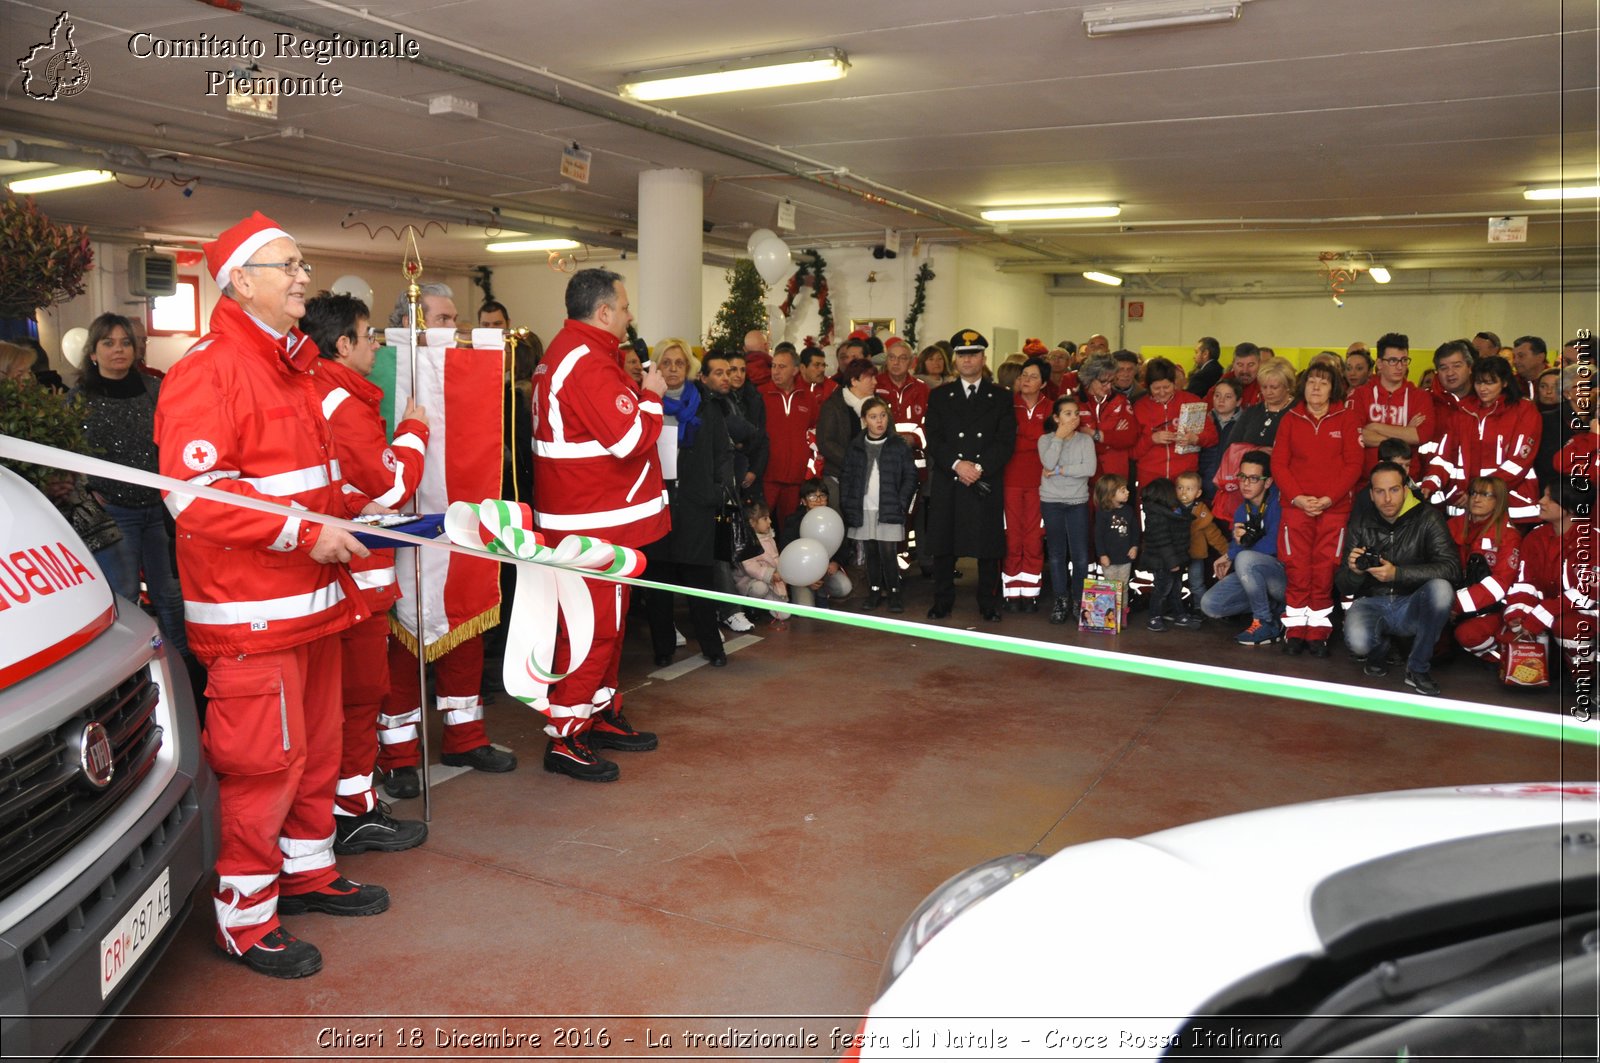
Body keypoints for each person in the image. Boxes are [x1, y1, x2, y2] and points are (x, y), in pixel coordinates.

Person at [155, 211, 390, 978]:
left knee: (315, 752)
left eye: (300, 264)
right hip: (254, 615)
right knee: (264, 766)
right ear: (241, 282)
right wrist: (304, 535)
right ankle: (245, 919)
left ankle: (308, 872)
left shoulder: (290, 363)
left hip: (313, 606)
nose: (303, 278)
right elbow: (195, 496)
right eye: (287, 266)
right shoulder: (210, 367)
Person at [375, 277, 517, 796]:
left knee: (466, 613)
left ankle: (465, 734)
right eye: (442, 320)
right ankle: (398, 753)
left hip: (458, 519)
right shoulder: (381, 377)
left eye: (456, 320)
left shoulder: (469, 379)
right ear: (410, 325)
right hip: (399, 529)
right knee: (399, 639)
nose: (454, 330)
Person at [300, 290, 429, 855]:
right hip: (354, 577)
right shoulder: (342, 402)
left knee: (349, 698)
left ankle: (350, 801)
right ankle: (353, 811)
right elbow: (393, 485)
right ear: (343, 343)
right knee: (358, 697)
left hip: (343, 574)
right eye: (369, 335)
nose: (377, 345)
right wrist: (414, 433)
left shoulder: (323, 390)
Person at [529, 268, 669, 782]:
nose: (631, 315)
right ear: (604, 312)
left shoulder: (578, 355)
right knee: (593, 634)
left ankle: (600, 714)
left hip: (599, 519)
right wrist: (651, 394)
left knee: (606, 629)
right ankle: (566, 738)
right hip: (594, 524)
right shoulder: (585, 361)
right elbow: (630, 437)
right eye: (625, 306)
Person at [71, 312, 188, 657]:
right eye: (108, 343)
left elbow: (174, 440)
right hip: (114, 512)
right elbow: (67, 455)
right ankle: (130, 666)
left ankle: (182, 665)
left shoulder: (155, 389)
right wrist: (88, 492)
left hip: (158, 508)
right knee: (122, 593)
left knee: (168, 593)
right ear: (93, 352)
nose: (118, 350)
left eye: (125, 342)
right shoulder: (80, 399)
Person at [1336, 462, 1462, 696]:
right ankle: (1380, 648)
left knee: (1442, 589)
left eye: (1394, 490)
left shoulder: (1428, 518)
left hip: (1412, 602)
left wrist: (1399, 573)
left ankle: (1418, 668)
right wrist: (1354, 572)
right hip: (1372, 602)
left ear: (1405, 489)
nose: (1387, 499)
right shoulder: (1360, 522)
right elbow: (1342, 584)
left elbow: (1452, 569)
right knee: (1358, 643)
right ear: (1371, 495)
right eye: (1380, 492)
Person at [644, 339, 733, 669]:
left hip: (697, 504)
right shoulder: (646, 404)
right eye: (665, 363)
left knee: (700, 582)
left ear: (689, 368)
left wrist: (716, 489)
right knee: (658, 583)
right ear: (657, 367)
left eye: (678, 363)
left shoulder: (706, 406)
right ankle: (663, 647)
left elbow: (723, 453)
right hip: (657, 504)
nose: (672, 369)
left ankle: (712, 647)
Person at [1271, 360, 1363, 655]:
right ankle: (1295, 628)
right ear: (1303, 386)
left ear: (1333, 388)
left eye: (1323, 382)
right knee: (1297, 567)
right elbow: (1279, 464)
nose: (1316, 387)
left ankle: (1318, 632)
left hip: (1333, 510)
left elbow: (1353, 465)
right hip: (1295, 508)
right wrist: (1298, 497)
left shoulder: (1346, 419)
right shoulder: (1290, 419)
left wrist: (1329, 499)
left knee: (1324, 569)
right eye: (1312, 381)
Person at [924, 329, 1016, 621]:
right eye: (962, 355)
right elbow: (934, 437)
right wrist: (956, 464)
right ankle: (942, 600)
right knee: (944, 544)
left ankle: (988, 602)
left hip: (983, 480)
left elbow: (1005, 440)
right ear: (955, 359)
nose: (968, 360)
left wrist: (978, 468)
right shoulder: (939, 396)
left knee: (987, 546)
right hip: (950, 478)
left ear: (983, 358)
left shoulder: (1000, 396)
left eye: (973, 354)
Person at [1419, 355, 1542, 522]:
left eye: (1490, 382)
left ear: (1505, 382)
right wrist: (1430, 484)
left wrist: (1478, 493)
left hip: (1511, 507)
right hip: (1464, 508)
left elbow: (1519, 462)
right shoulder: (1463, 412)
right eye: (1478, 382)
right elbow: (1444, 457)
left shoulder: (1524, 410)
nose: (1483, 388)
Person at [1501, 474, 1598, 684]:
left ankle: (1586, 679)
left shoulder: (1593, 541)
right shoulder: (1535, 537)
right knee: (1512, 635)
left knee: (1569, 628)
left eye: (1550, 498)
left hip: (1585, 616)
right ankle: (1549, 670)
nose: (1541, 502)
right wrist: (1519, 614)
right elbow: (1524, 583)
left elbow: (1585, 594)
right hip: (1551, 612)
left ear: (1571, 507)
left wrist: (1539, 616)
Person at [840, 396, 918, 612]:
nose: (879, 421)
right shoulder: (856, 446)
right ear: (865, 420)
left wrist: (901, 501)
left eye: (883, 416)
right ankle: (874, 591)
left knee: (888, 551)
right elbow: (847, 477)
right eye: (873, 417)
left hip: (889, 507)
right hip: (864, 507)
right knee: (871, 549)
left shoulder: (897, 445)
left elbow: (910, 476)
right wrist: (848, 503)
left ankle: (894, 592)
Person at [1201, 450, 1286, 645]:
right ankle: (1273, 608)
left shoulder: (1279, 503)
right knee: (1210, 604)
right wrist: (1232, 551)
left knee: (1245, 559)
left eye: (1254, 478)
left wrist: (1232, 554)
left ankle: (1265, 622)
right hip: (1254, 572)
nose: (1246, 483)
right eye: (1242, 477)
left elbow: (1275, 545)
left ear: (1268, 482)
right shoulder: (1242, 509)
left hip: (1282, 577)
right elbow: (1239, 543)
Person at [1447, 476, 1522, 664]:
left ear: (1499, 501)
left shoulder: (1508, 535)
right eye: (1473, 493)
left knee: (1468, 635)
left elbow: (1500, 584)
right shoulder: (1452, 525)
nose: (1477, 499)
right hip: (1452, 601)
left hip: (1492, 607)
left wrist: (1454, 605)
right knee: (1435, 651)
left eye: (1485, 495)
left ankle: (1504, 657)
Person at [1037, 394, 1096, 624]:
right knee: (1056, 554)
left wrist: (1061, 471)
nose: (1074, 418)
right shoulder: (1045, 440)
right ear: (1056, 417)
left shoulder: (1085, 440)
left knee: (1080, 555)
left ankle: (1078, 599)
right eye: (1068, 413)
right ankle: (1060, 599)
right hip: (1051, 501)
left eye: (1076, 413)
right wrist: (1059, 438)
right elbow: (1048, 463)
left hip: (1077, 501)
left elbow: (1089, 468)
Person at [1002, 357, 1051, 611]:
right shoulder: (1007, 406)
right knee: (1012, 537)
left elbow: (1055, 444)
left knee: (1033, 538)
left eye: (1032, 376)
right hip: (1009, 480)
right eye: (1023, 375)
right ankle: (1011, 592)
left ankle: (1030, 592)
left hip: (1040, 484)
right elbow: (1007, 442)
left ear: (1043, 383)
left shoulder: (1053, 408)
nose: (1026, 380)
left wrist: (1025, 438)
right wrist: (1037, 440)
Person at [1352, 331, 1434, 481]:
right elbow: (1358, 435)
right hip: (1368, 481)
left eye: (1404, 360)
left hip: (1408, 481)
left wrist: (1375, 426)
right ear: (1379, 363)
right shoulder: (1361, 395)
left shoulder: (1420, 396)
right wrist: (1403, 437)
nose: (1399, 366)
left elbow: (1420, 435)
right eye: (1393, 361)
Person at [760, 345, 821, 531]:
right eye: (773, 366)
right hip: (767, 476)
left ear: (795, 370)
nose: (776, 371)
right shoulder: (761, 395)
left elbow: (813, 432)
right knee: (760, 526)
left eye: (782, 367)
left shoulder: (808, 398)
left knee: (791, 528)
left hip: (796, 478)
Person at [1132, 357, 1217, 487]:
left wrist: (1195, 438)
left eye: (1166, 387)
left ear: (1174, 383)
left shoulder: (1192, 402)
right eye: (1156, 388)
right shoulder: (1139, 407)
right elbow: (1133, 452)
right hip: (1151, 479)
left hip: (1185, 478)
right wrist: (1152, 439)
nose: (1162, 392)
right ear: (1147, 386)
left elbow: (1213, 438)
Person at [780, 478, 854, 606]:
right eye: (812, 496)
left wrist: (837, 562)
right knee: (806, 609)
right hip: (801, 574)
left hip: (826, 570)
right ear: (803, 501)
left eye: (822, 496)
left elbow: (844, 547)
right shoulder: (793, 522)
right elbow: (786, 553)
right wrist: (807, 578)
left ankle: (822, 593)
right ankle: (803, 593)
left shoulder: (833, 519)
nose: (818, 500)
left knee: (844, 587)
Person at [816, 359, 878, 510]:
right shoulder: (834, 405)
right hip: (839, 475)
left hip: (873, 476)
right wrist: (853, 460)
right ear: (854, 381)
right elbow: (826, 442)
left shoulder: (878, 406)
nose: (875, 382)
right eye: (870, 378)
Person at [1139, 478, 1193, 632]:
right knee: (1162, 590)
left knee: (1176, 588)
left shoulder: (1169, 511)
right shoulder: (1157, 516)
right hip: (1163, 562)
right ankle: (1154, 617)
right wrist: (1172, 563)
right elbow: (1163, 542)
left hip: (1173, 559)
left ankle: (1179, 614)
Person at [1078, 355, 1138, 489]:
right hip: (1083, 476)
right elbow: (1072, 439)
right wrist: (1111, 437)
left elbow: (1129, 437)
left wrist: (1095, 435)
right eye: (1103, 381)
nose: (1108, 386)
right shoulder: (1075, 402)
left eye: (1112, 381)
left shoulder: (1121, 401)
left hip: (1115, 475)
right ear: (1090, 379)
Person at [1176, 470, 1227, 612]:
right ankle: (1177, 609)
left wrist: (1228, 552)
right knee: (1175, 584)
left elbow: (1213, 534)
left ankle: (1201, 609)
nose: (1183, 492)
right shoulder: (1172, 509)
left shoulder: (1202, 512)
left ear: (1198, 493)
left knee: (1197, 584)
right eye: (1180, 488)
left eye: (1189, 488)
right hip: (1176, 555)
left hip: (1195, 554)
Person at [735, 500, 790, 628]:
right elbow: (750, 566)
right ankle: (750, 605)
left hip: (771, 579)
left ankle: (767, 602)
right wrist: (770, 574)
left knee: (785, 615)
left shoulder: (769, 537)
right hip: (749, 581)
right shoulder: (746, 542)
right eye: (765, 519)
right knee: (760, 588)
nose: (770, 522)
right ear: (752, 523)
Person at [724, 350, 769, 504]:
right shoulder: (718, 399)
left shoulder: (755, 398)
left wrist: (754, 471)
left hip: (751, 472)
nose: (739, 374)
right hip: (728, 471)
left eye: (743, 370)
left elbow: (763, 438)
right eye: (733, 369)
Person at [1197, 378, 1242, 504]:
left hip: (1232, 492)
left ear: (1238, 401)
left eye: (1228, 397)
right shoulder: (1203, 421)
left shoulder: (1245, 424)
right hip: (1203, 489)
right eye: (1217, 395)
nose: (1221, 400)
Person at [1094, 473, 1139, 589]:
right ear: (1110, 495)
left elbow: (1135, 530)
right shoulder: (1102, 513)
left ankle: (1122, 607)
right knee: (1110, 586)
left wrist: (1134, 546)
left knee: (1123, 586)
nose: (1127, 492)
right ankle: (1111, 608)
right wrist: (1102, 554)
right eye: (1123, 490)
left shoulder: (1128, 510)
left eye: (1126, 489)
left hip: (1125, 557)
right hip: (1109, 558)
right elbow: (1098, 535)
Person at [387, 281, 458, 331]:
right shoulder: (382, 352)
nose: (454, 328)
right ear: (409, 322)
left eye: (454, 319)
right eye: (442, 319)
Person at [1212, 343, 1262, 407]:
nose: (1245, 370)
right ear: (1233, 364)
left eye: (1251, 365)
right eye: (1240, 365)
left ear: (1259, 364)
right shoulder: (1225, 380)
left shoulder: (1266, 384)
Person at [1511, 335, 1549, 401]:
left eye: (1521, 356)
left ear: (1540, 357)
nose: (1515, 361)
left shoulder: (1558, 381)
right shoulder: (1512, 383)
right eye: (1514, 356)